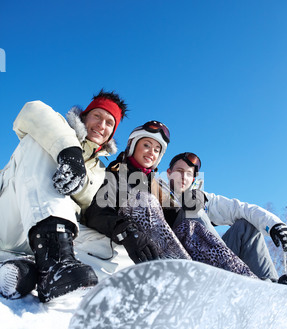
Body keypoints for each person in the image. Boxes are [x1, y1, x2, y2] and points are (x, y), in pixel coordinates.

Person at [0, 89, 128, 302]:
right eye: (97, 116)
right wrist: (69, 152)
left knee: (108, 246)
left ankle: (30, 269)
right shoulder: (58, 125)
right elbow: (31, 111)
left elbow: (88, 203)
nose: (101, 125)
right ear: (84, 117)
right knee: (39, 141)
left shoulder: (99, 171)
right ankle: (55, 263)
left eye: (109, 123)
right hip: (8, 216)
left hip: (33, 238)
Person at [85, 124, 257, 278]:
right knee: (143, 200)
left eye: (156, 150)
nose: (151, 152)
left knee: (189, 219)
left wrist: (193, 204)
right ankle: (188, 278)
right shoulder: (116, 173)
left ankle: (243, 279)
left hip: (172, 245)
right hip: (143, 243)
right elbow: (97, 213)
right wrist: (126, 231)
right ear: (133, 146)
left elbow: (177, 221)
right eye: (146, 145)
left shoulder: (156, 185)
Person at [166, 152, 287, 285]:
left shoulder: (203, 199)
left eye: (189, 174)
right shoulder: (157, 193)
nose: (184, 177)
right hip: (178, 263)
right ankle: (228, 269)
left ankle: (271, 287)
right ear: (168, 173)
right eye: (179, 171)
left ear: (193, 180)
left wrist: (274, 224)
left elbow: (240, 209)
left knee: (245, 226)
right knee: (191, 203)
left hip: (216, 262)